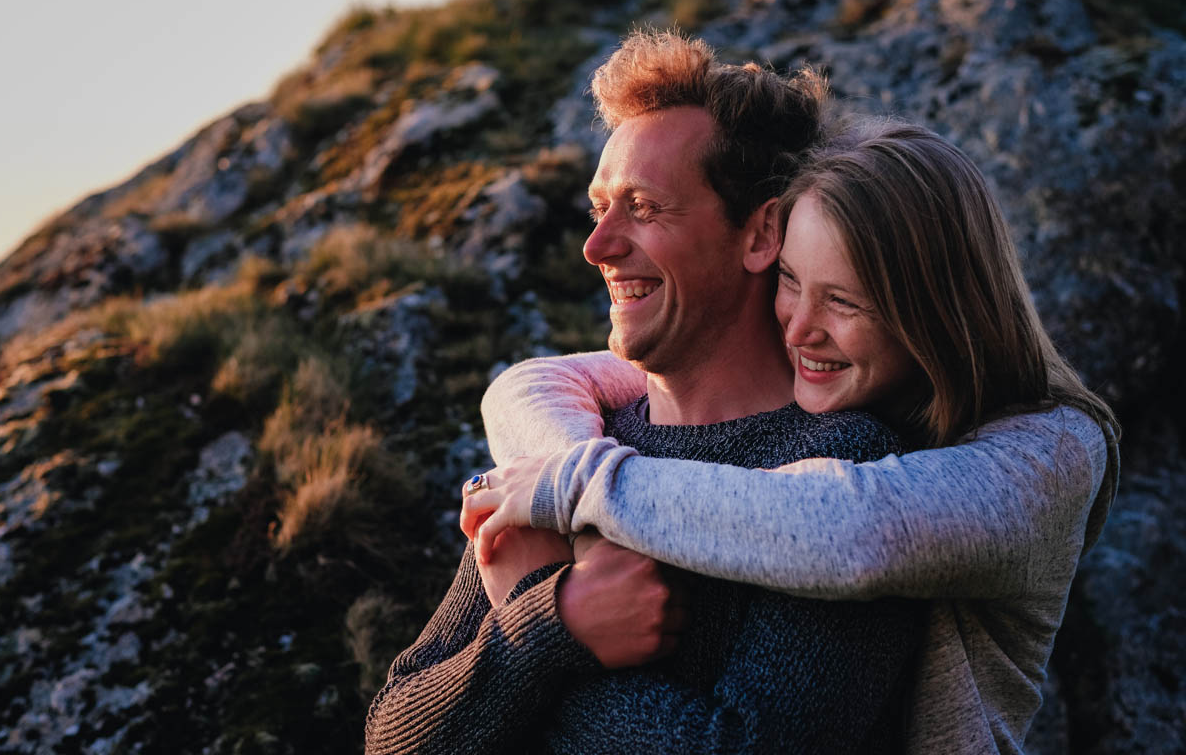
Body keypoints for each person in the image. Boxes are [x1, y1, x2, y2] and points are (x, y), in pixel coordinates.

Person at [464, 118, 1120, 755]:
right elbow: (535, 386)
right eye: (791, 281)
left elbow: (853, 531)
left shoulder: (1051, 453)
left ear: (934, 317)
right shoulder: (843, 378)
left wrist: (549, 601)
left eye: (844, 301)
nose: (798, 328)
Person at [366, 31, 925, 754]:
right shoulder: (572, 449)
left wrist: (542, 633)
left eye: (644, 207)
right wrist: (545, 624)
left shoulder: (844, 470)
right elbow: (391, 735)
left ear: (761, 234)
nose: (597, 247)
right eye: (599, 208)